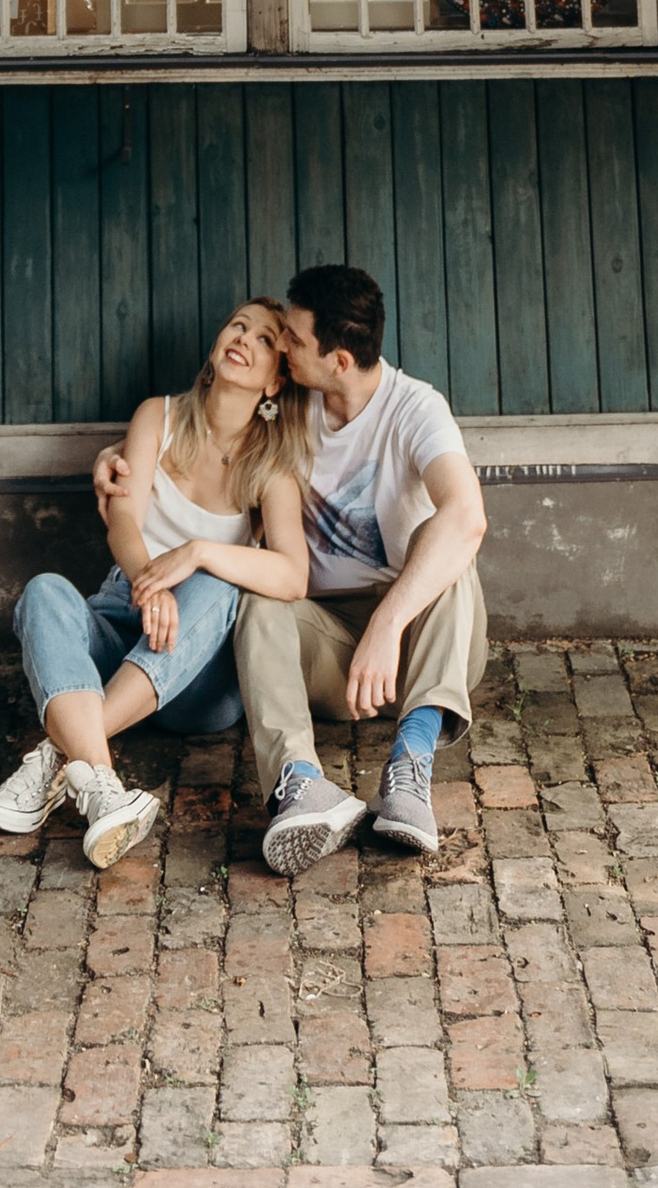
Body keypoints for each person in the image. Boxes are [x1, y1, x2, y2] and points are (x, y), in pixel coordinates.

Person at [95, 258, 488, 874]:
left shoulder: (416, 410)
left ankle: (410, 768)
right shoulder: (289, 404)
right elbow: (198, 428)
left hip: (421, 648)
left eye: (293, 342)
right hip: (327, 650)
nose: (280, 348)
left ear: (339, 361)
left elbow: (467, 515)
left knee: (450, 548)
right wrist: (113, 457)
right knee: (255, 592)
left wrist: (387, 626)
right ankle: (299, 783)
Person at [0, 299, 313, 869]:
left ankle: (58, 754)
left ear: (275, 380)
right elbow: (124, 520)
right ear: (216, 343)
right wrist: (149, 582)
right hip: (124, 617)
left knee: (221, 579)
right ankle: (101, 787)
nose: (243, 339)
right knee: (44, 592)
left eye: (264, 340)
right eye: (237, 324)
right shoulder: (156, 417)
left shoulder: (272, 465)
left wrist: (198, 553)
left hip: (198, 675)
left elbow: (294, 575)